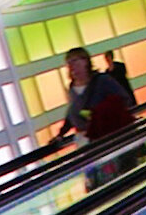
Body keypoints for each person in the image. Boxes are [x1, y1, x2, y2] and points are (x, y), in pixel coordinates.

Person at [53, 47, 138, 189]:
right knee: (94, 179)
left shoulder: (102, 81)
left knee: (114, 176)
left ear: (86, 61)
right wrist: (61, 134)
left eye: (75, 61)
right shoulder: (72, 87)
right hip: (85, 141)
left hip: (106, 138)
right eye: (69, 63)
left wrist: (100, 112)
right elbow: (72, 112)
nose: (72, 66)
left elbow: (125, 99)